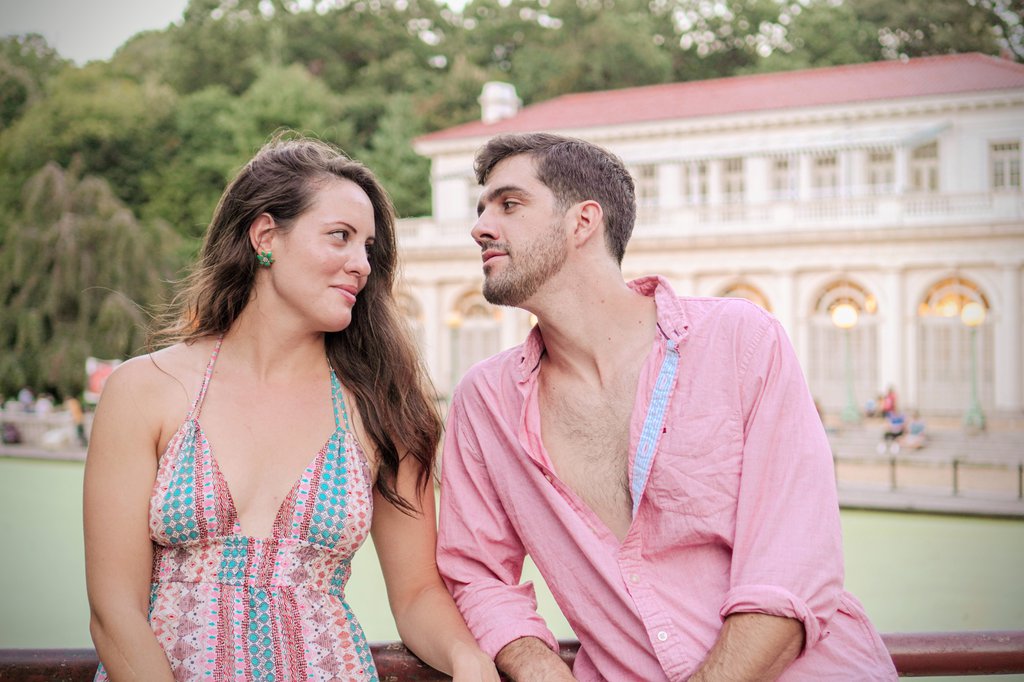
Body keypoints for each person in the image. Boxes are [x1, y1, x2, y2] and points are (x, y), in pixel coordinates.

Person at [436, 133, 897, 681]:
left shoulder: (739, 340)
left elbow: (791, 569)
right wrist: (538, 665)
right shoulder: (484, 401)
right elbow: (477, 573)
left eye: (509, 204)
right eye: (481, 208)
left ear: (583, 222)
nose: (479, 227)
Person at [83, 136, 498, 682]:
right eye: (340, 237)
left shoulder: (383, 407)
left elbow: (418, 591)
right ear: (265, 235)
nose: (361, 264)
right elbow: (115, 612)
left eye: (369, 248)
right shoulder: (145, 389)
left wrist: (469, 659)